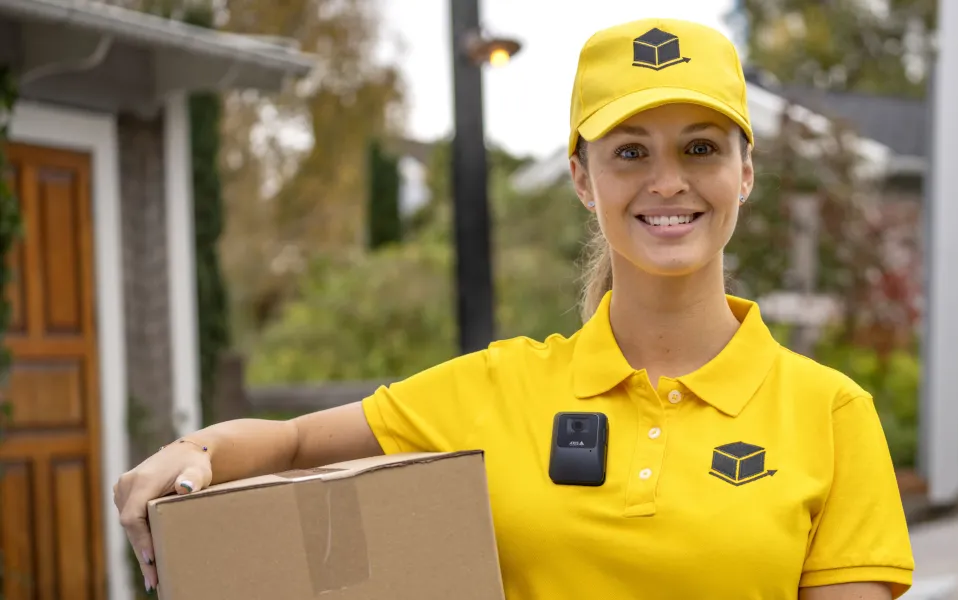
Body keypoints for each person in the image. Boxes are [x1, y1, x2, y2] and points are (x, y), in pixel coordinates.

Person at [113, 17, 914, 600]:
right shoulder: (499, 390)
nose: (667, 181)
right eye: (630, 151)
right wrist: (193, 455)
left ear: (745, 172)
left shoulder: (831, 415)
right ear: (581, 177)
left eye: (700, 147)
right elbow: (291, 445)